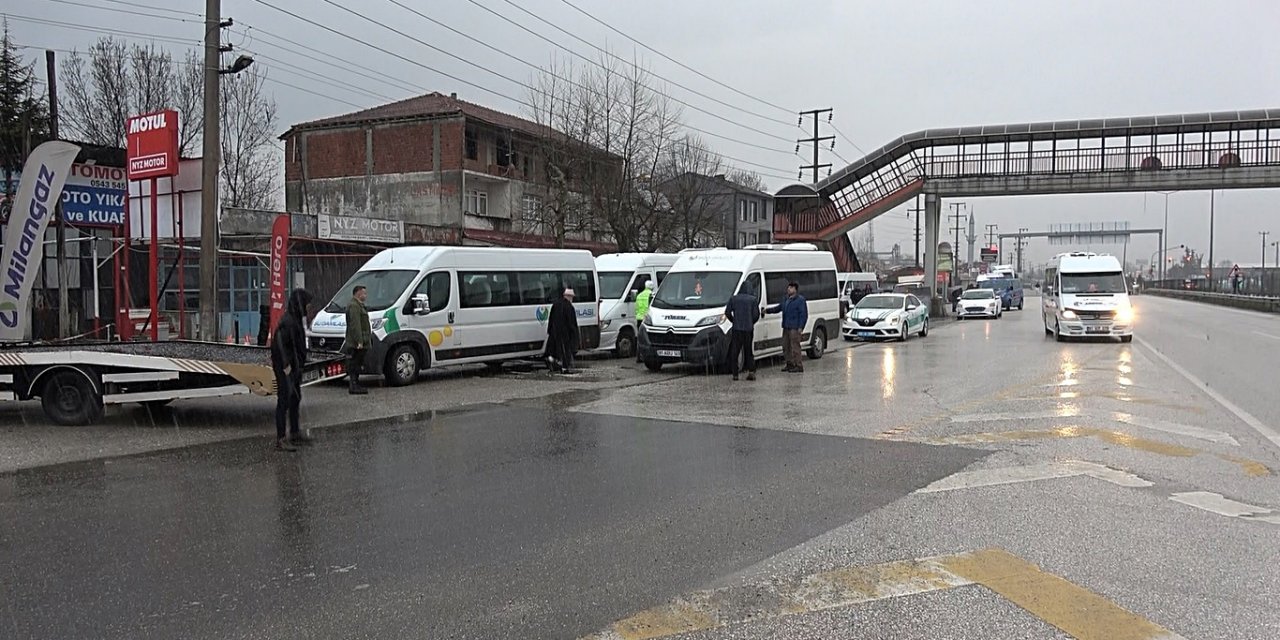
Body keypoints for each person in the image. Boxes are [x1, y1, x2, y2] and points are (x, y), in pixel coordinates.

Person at [270, 289, 313, 451]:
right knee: (284, 401)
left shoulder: (295, 319)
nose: (308, 308)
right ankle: (281, 439)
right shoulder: (287, 321)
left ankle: (294, 432)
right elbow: (279, 344)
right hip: (286, 369)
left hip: (295, 367)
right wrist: (286, 365)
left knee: (295, 398)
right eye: (306, 304)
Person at [767, 281, 808, 373]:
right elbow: (778, 308)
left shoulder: (800, 300)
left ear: (795, 289)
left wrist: (801, 327)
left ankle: (798, 365)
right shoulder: (786, 299)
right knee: (786, 346)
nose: (788, 289)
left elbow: (803, 314)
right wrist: (767, 311)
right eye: (788, 287)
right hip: (786, 326)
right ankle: (789, 363)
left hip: (795, 327)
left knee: (795, 347)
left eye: (790, 288)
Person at [724, 281, 760, 381]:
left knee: (735, 351)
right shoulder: (753, 300)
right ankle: (751, 372)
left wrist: (734, 321)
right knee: (748, 351)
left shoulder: (734, 298)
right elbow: (756, 315)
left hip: (737, 329)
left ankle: (735, 374)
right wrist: (751, 322)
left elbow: (727, 312)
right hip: (748, 329)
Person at [544, 288, 581, 374]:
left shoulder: (555, 304)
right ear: (569, 297)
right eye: (572, 297)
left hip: (554, 332)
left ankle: (552, 361)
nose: (572, 299)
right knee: (565, 351)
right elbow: (572, 323)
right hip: (565, 334)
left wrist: (549, 330)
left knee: (554, 350)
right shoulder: (569, 307)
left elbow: (551, 319)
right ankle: (564, 367)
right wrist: (575, 334)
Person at [344, 285, 371, 395]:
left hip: (361, 340)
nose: (366, 295)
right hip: (357, 343)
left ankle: (356, 384)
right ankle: (354, 385)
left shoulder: (359, 305)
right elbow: (355, 325)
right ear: (358, 293)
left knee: (357, 364)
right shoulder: (354, 306)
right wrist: (359, 341)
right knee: (355, 364)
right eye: (364, 293)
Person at [634, 280, 654, 362]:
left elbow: (636, 308)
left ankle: (638, 357)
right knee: (647, 339)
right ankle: (648, 356)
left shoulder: (639, 295)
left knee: (640, 338)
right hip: (647, 320)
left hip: (639, 319)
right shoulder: (651, 295)